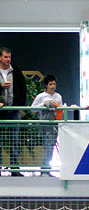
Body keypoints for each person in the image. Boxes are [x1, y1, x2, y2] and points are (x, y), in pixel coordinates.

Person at [0, 46, 27, 176]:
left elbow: (23, 88)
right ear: (0, 57)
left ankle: (14, 169)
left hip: (13, 111)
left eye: (9, 57)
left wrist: (19, 105)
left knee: (14, 140)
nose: (8, 59)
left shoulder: (15, 70)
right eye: (5, 57)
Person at [32, 74, 63, 174]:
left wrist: (57, 106)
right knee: (47, 146)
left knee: (51, 146)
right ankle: (45, 169)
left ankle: (45, 169)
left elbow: (62, 110)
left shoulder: (58, 96)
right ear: (46, 85)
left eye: (54, 84)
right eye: (50, 84)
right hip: (44, 125)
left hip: (54, 125)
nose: (52, 86)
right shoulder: (40, 96)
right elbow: (32, 109)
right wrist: (44, 105)